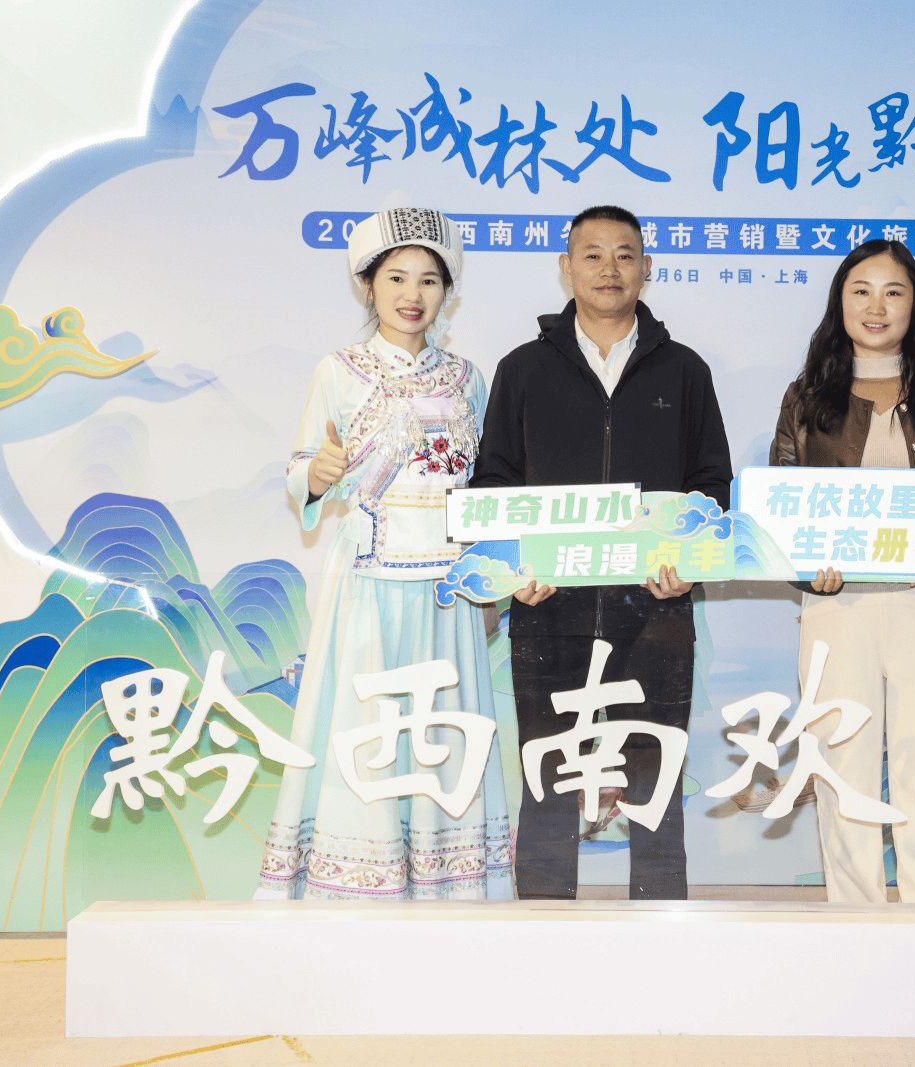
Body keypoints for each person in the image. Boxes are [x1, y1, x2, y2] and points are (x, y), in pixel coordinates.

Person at [471, 204, 733, 900]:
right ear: (566, 268)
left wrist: (688, 565)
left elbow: (712, 483)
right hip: (548, 605)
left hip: (656, 605)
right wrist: (512, 571)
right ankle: (543, 925)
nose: (609, 269)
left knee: (654, 777)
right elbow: (493, 482)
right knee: (549, 776)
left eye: (625, 254)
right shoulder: (523, 369)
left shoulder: (684, 371)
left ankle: (660, 928)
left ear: (647, 268)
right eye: (592, 254)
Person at [257, 207, 513, 901]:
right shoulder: (338, 372)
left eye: (429, 279)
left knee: (446, 732)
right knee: (368, 728)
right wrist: (319, 474)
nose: (412, 293)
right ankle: (357, 885)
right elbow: (302, 469)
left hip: (450, 588)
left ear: (447, 291)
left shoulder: (467, 377)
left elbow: (485, 489)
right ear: (367, 285)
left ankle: (451, 883)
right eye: (396, 277)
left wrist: (493, 581)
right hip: (370, 579)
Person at [770, 239, 915, 904]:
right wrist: (807, 571)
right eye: (860, 291)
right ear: (839, 302)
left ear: (914, 304)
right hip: (838, 611)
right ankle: (853, 927)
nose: (876, 306)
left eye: (894, 292)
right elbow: (782, 506)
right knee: (843, 771)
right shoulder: (807, 398)